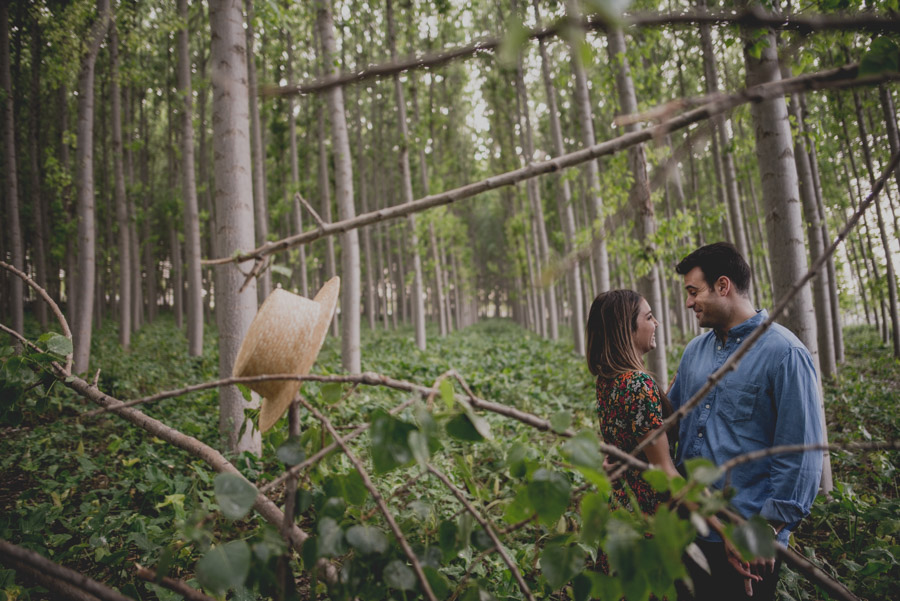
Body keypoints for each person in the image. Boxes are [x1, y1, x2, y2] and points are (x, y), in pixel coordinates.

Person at [669, 242, 824, 601]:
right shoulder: (694, 352)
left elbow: (801, 459)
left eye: (694, 292)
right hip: (689, 531)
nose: (689, 303)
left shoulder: (785, 354)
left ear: (723, 286)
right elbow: (671, 424)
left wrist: (761, 535)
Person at [586, 289, 680, 515]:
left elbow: (631, 432)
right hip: (650, 519)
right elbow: (665, 471)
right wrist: (719, 523)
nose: (656, 323)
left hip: (623, 512)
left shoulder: (609, 379)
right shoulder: (637, 384)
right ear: (626, 329)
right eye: (648, 317)